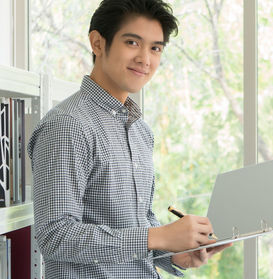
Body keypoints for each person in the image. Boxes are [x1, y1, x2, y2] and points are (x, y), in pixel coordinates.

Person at [27, 0, 231, 277]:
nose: (145, 59)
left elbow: (139, 220)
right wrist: (156, 237)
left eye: (155, 48)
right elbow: (55, 235)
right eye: (133, 43)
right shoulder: (67, 125)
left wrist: (175, 253)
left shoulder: (140, 131)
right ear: (97, 43)